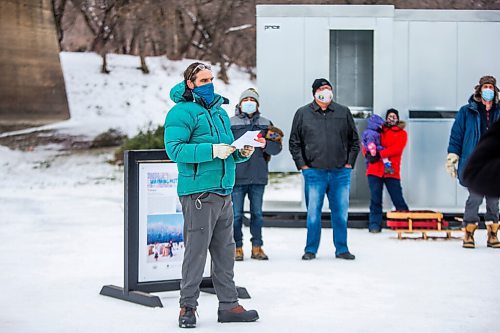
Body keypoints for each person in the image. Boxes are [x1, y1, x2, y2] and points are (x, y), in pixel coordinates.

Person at [164, 62, 259, 328]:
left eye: (211, 79)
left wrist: (241, 152)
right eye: (203, 80)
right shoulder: (180, 112)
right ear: (190, 83)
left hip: (224, 191)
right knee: (196, 252)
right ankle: (187, 308)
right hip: (198, 193)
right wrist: (212, 151)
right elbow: (175, 150)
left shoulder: (219, 113)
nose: (209, 83)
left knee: (225, 252)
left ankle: (229, 305)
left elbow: (226, 150)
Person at [289, 78, 360, 261]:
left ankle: (342, 249)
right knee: (313, 213)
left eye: (328, 88)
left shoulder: (343, 112)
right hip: (314, 172)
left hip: (340, 173)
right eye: (322, 89)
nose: (326, 91)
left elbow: (354, 141)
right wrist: (303, 166)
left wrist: (349, 163)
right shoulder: (303, 113)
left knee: (340, 213)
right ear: (314, 93)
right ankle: (311, 249)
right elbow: (294, 142)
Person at [447, 75, 500, 249]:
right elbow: (457, 135)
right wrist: (453, 155)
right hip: (474, 160)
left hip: (494, 162)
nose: (488, 90)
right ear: (479, 89)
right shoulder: (466, 111)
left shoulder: (499, 111)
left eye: (491, 88)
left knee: (493, 199)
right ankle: (468, 232)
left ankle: (493, 233)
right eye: (485, 87)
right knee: (475, 197)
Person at [230, 88, 283, 261]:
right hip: (237, 177)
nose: (249, 102)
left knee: (257, 214)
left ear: (258, 104)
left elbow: (277, 148)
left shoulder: (266, 123)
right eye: (246, 100)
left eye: (253, 100)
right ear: (240, 103)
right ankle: (236, 247)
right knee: (236, 215)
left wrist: (264, 144)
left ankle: (257, 247)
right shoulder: (230, 123)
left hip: (258, 176)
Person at [363, 108, 409, 233]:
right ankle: (374, 224)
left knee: (397, 197)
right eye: (389, 116)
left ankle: (405, 222)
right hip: (374, 170)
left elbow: (397, 149)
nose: (392, 119)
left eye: (394, 116)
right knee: (375, 199)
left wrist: (379, 154)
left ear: (398, 118)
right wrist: (367, 155)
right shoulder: (378, 131)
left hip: (391, 171)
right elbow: (367, 144)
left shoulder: (402, 133)